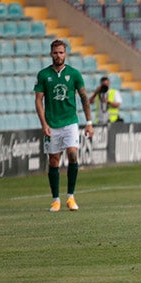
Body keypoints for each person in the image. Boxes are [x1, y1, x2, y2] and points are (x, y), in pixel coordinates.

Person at [34, 39, 94, 211]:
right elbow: (38, 101)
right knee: (54, 161)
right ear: (51, 54)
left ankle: (70, 197)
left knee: (73, 154)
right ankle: (55, 199)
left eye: (61, 52)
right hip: (52, 123)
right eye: (55, 52)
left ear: (65, 54)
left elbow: (83, 98)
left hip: (70, 122)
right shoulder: (43, 75)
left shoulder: (74, 74)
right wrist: (43, 123)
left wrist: (89, 123)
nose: (58, 55)